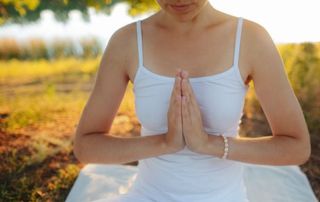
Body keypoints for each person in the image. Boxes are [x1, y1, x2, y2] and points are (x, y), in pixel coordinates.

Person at [73, 0, 311, 201]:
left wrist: (208, 144)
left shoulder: (250, 38)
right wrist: (165, 143)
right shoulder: (126, 41)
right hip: (148, 195)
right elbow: (87, 146)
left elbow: (296, 147)